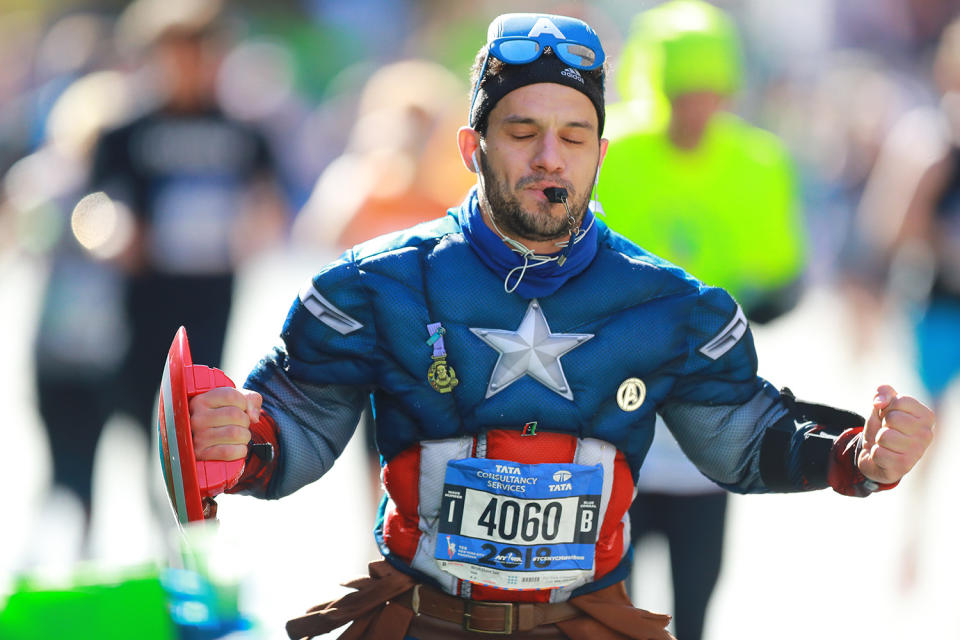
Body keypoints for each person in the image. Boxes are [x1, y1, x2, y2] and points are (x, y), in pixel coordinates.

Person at [181, 12, 934, 640]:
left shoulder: (671, 305)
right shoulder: (375, 284)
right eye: (522, 131)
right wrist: (237, 442)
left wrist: (855, 456)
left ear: (601, 154)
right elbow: (294, 422)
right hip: (421, 621)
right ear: (471, 147)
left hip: (586, 624)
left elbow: (743, 438)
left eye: (574, 137)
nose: (550, 158)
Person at [598, 3, 807, 638]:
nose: (694, 110)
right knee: (609, 609)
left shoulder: (758, 162)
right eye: (680, 95)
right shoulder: (612, 154)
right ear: (653, 86)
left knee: (695, 607)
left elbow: (785, 282)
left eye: (709, 95)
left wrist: (753, 300)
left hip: (705, 414)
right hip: (615, 413)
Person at [92, 0, 288, 450]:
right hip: (144, 288)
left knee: (197, 400)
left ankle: (188, 500)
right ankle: (155, 487)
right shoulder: (126, 132)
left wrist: (256, 230)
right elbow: (94, 204)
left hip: (210, 290)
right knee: (141, 395)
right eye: (176, 53)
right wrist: (114, 236)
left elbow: (269, 200)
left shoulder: (242, 131)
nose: (189, 66)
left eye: (201, 52)